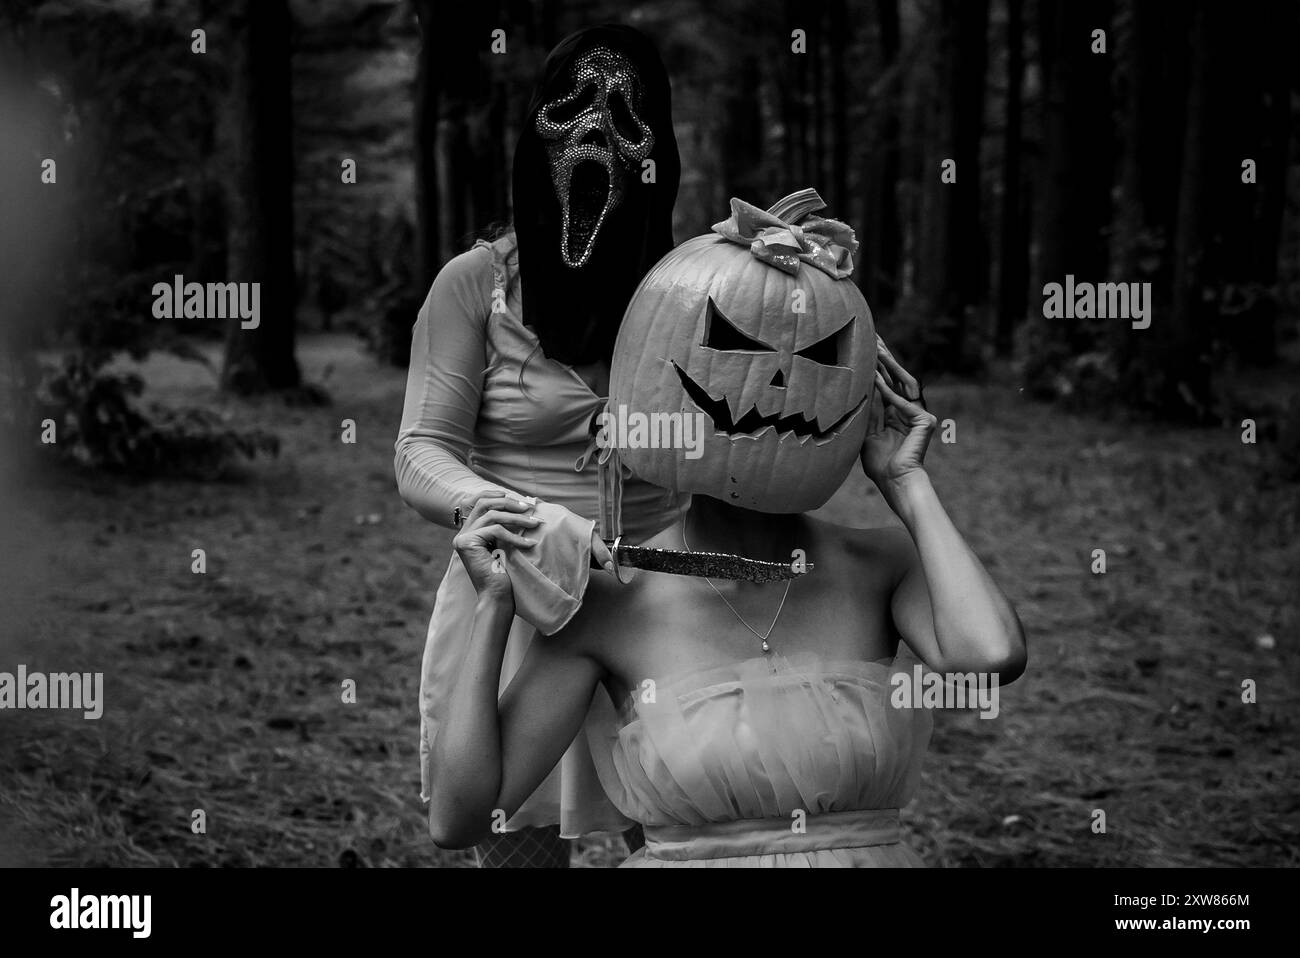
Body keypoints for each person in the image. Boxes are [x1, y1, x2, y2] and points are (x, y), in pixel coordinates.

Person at [425, 195, 1028, 866]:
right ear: (645, 391)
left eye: (822, 356)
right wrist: (494, 607)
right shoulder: (610, 605)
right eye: (732, 345)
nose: (775, 378)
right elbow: (461, 818)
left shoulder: (883, 565)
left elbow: (990, 658)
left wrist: (906, 482)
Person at [394, 24, 682, 867]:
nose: (595, 133)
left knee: (680, 837)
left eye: (626, 117)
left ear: (659, 148)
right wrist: (515, 517)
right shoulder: (474, 286)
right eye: (571, 107)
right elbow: (420, 452)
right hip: (518, 600)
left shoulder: (694, 288)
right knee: (515, 849)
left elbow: (746, 434)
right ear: (533, 131)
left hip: (662, 609)